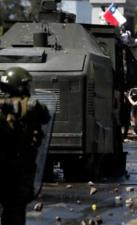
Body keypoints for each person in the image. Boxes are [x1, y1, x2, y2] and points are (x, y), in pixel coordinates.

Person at [0, 67, 50, 225]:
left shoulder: (24, 106)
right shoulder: (22, 106)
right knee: (14, 212)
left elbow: (43, 114)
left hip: (14, 169)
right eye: (25, 85)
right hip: (14, 170)